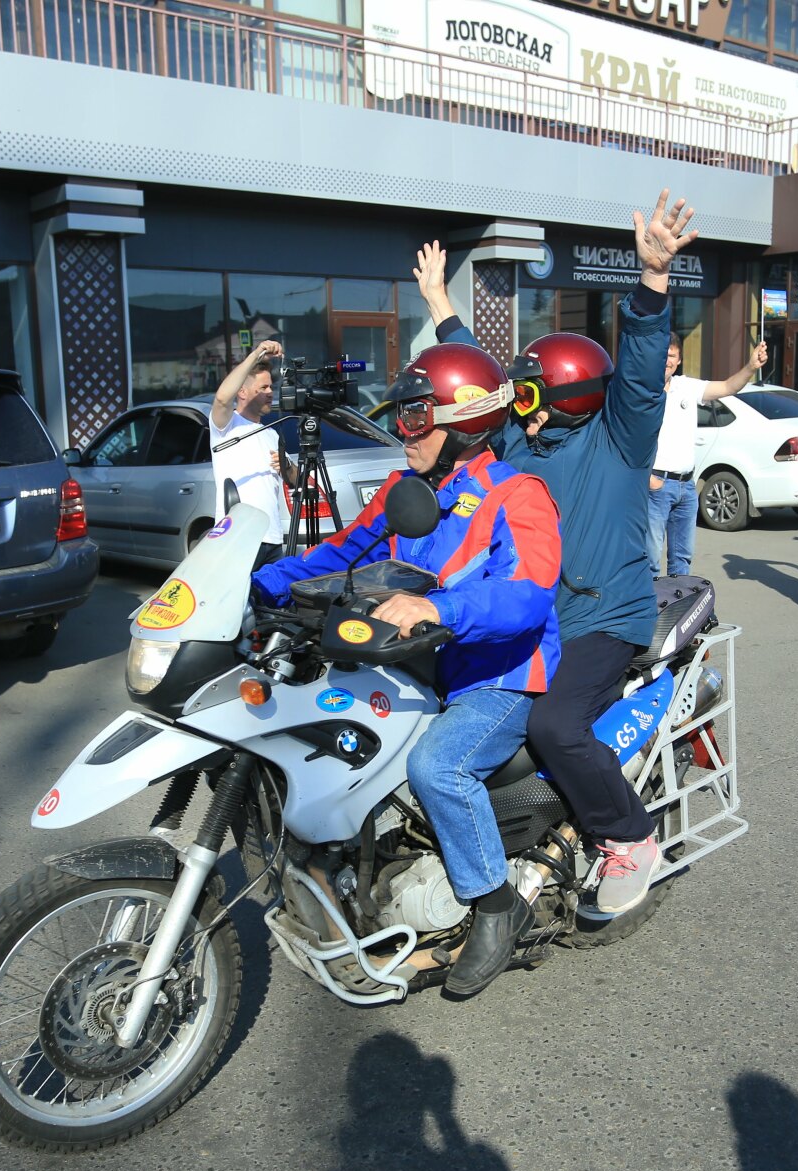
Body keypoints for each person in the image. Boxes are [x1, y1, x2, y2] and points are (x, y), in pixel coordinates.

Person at [412, 187, 693, 916]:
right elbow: (476, 382)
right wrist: (441, 305)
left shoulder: (620, 439)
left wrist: (653, 279)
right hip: (537, 617)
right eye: (519, 397)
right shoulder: (518, 440)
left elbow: (639, 370)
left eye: (531, 395)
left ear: (566, 395)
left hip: (605, 617)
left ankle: (629, 836)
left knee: (554, 726)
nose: (519, 409)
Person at [252, 343, 562, 998]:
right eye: (402, 416)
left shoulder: (518, 495)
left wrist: (436, 606)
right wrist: (256, 585)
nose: (403, 430)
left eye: (417, 417)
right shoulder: (405, 492)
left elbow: (527, 595)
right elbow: (340, 553)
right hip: (418, 667)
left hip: (499, 676)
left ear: (464, 420)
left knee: (437, 767)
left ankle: (496, 906)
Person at [650, 333, 767, 577]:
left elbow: (727, 387)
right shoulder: (644, 391)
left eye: (671, 355)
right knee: (650, 559)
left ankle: (678, 602)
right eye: (663, 355)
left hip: (686, 486)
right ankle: (647, 603)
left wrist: (750, 366)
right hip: (657, 485)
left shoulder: (686, 386)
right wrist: (649, 479)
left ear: (679, 359)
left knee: (682, 560)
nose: (667, 360)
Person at [209, 338, 293, 567]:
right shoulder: (226, 426)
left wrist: (287, 467)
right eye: (263, 388)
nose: (270, 393)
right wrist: (257, 354)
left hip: (272, 538)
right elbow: (222, 398)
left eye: (271, 387)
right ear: (242, 392)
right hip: (239, 536)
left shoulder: (271, 434)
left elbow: (294, 479)